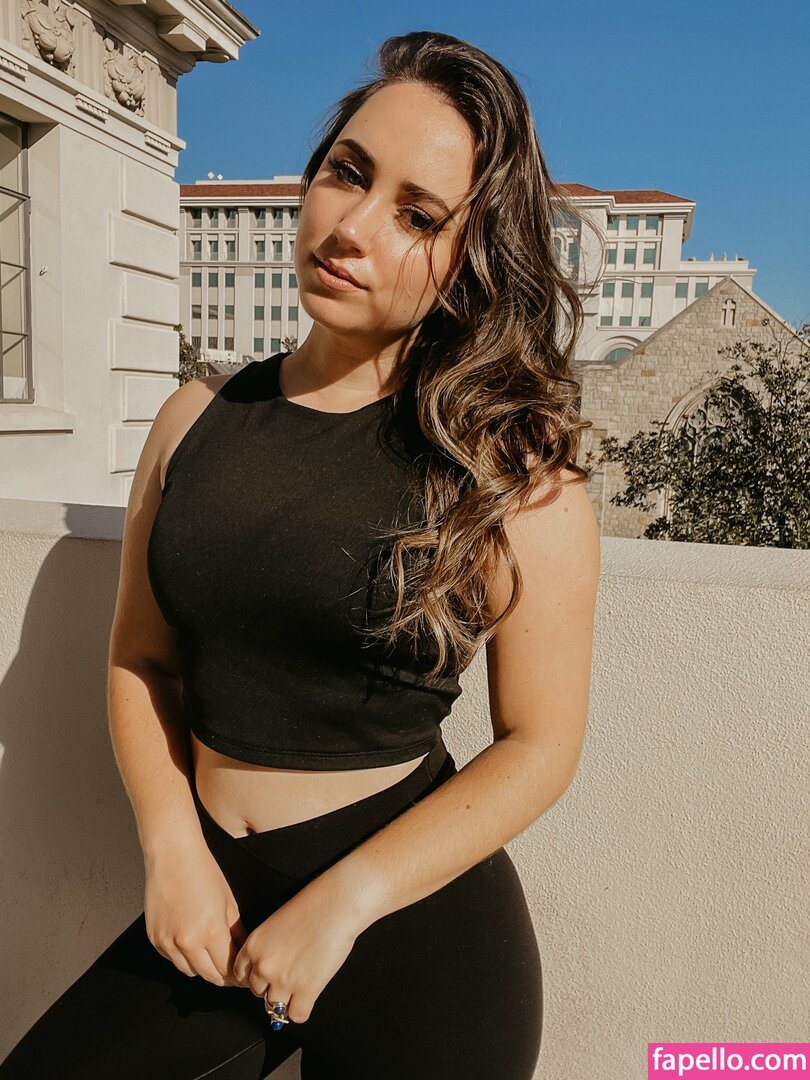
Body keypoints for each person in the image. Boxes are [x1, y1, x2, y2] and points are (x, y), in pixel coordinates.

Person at [0, 28, 601, 1080]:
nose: (352, 227)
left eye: (418, 216)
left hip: (414, 923)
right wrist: (171, 849)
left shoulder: (513, 477)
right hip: (209, 902)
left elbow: (540, 745)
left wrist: (347, 900)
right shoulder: (194, 419)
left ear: (470, 265)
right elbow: (140, 658)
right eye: (348, 173)